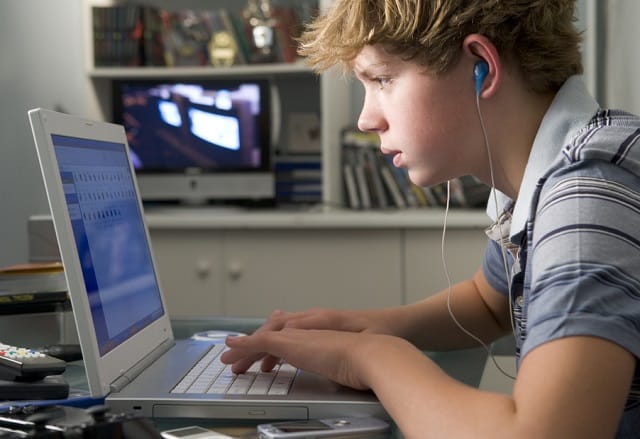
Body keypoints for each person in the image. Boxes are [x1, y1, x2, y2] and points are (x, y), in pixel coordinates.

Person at [221, 1, 640, 437]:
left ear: (483, 68)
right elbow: (488, 302)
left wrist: (367, 356)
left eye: (382, 79)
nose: (366, 119)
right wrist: (369, 326)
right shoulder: (532, 178)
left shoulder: (587, 193)